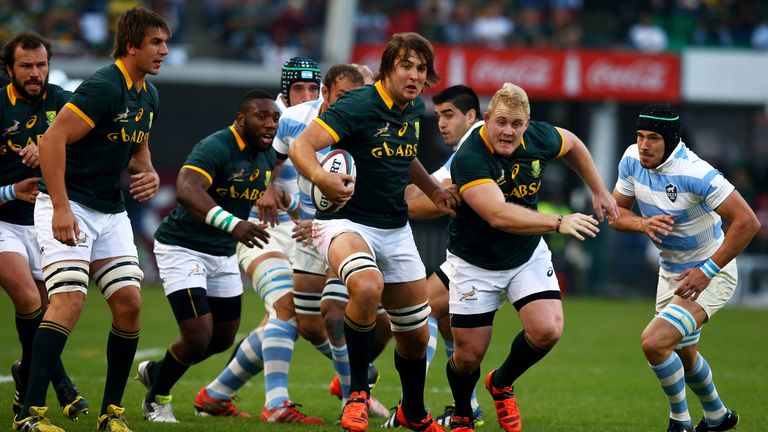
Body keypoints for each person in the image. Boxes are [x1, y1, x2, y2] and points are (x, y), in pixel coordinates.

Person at [289, 32, 458, 432]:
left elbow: (405, 153)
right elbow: (301, 147)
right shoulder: (358, 103)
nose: (414, 75)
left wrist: (433, 190)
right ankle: (357, 396)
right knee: (367, 286)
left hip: (395, 228)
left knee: (415, 336)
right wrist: (321, 179)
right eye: (406, 66)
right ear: (386, 69)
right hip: (344, 221)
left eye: (421, 68)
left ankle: (412, 412)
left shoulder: (412, 109)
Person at [14, 8, 170, 432]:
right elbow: (52, 141)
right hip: (71, 203)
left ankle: (111, 414)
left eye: (165, 42)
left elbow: (139, 150)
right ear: (131, 46)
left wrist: (149, 173)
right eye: (156, 42)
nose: (164, 50)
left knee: (130, 304)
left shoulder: (148, 95)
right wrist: (61, 207)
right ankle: (29, 415)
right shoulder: (104, 86)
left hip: (110, 209)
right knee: (69, 301)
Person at [443, 82, 618, 432]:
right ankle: (462, 413)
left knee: (547, 330)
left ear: (528, 123)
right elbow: (497, 215)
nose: (508, 131)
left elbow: (573, 144)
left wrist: (598, 189)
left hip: (525, 254)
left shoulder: (538, 136)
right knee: (468, 356)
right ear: (487, 118)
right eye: (501, 122)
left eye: (517, 124)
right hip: (475, 262)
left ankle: (501, 383)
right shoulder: (471, 156)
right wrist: (558, 222)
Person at [609, 104, 760, 432]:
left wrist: (706, 272)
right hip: (672, 274)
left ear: (671, 140)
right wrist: (643, 223)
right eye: (640, 136)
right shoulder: (631, 159)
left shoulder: (697, 173)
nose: (644, 145)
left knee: (654, 343)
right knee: (684, 355)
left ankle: (680, 422)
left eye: (653, 138)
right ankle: (718, 416)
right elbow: (616, 214)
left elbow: (748, 222)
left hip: (711, 272)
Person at [197, 56, 326, 424]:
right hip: (256, 227)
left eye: (312, 88)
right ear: (285, 90)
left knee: (288, 318)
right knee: (287, 306)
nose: (306, 95)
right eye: (298, 88)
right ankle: (278, 403)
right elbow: (236, 161)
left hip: (299, 229)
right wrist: (262, 187)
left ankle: (214, 395)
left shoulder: (321, 120)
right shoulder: (266, 119)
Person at [135, 90, 276, 423]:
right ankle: (157, 399)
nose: (270, 124)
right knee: (197, 336)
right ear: (240, 119)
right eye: (261, 117)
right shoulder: (216, 146)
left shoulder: (267, 154)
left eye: (274, 118)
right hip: (183, 248)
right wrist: (233, 224)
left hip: (222, 252)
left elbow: (278, 170)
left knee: (221, 339)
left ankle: (157, 372)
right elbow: (186, 189)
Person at [384, 84, 484, 429]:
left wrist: (389, 208)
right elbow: (427, 189)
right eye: (438, 115)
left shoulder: (475, 144)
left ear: (471, 115)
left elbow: (432, 202)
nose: (441, 122)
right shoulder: (466, 148)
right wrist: (394, 192)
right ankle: (469, 406)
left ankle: (409, 406)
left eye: (449, 115)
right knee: (447, 322)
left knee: (422, 309)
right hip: (476, 254)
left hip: (487, 257)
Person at [1, 31, 88, 422]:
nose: (35, 73)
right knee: (27, 299)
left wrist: (53, 144)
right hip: (3, 220)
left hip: (40, 222)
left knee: (48, 313)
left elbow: (91, 143)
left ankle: (25, 379)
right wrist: (9, 191)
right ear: (9, 69)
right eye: (26, 66)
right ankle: (64, 385)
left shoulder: (63, 102)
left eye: (41, 65)